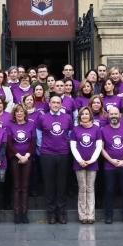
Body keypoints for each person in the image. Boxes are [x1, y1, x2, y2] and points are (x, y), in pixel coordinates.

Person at [37, 95, 74, 224]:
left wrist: (65, 145)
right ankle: (51, 213)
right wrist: (42, 148)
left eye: (58, 102)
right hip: (47, 154)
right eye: (53, 102)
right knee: (49, 184)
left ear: (61, 104)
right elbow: (39, 135)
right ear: (49, 103)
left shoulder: (68, 117)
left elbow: (70, 134)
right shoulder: (42, 117)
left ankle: (61, 212)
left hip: (63, 154)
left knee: (61, 184)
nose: (55, 104)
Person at [100, 106, 123, 224]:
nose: (113, 116)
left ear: (120, 115)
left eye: (116, 114)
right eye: (111, 114)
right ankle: (108, 216)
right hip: (109, 166)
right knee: (109, 191)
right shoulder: (103, 130)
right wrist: (111, 160)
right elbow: (101, 148)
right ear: (108, 115)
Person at [71, 107, 103, 224]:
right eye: (82, 114)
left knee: (90, 188)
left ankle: (90, 214)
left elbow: (99, 146)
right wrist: (80, 160)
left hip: (92, 163)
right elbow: (73, 147)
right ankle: (82, 215)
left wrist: (92, 160)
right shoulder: (75, 129)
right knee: (82, 188)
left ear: (90, 116)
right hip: (79, 163)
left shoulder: (96, 129)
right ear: (80, 116)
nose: (84, 116)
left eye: (86, 114)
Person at [6, 104, 36, 224]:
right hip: (15, 158)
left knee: (25, 187)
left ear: (25, 113)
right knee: (16, 186)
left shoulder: (31, 124)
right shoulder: (10, 125)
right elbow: (9, 143)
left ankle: (24, 213)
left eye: (21, 112)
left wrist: (27, 156)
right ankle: (17, 213)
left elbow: (33, 142)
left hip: (27, 158)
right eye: (17, 112)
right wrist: (18, 155)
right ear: (14, 114)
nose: (19, 113)